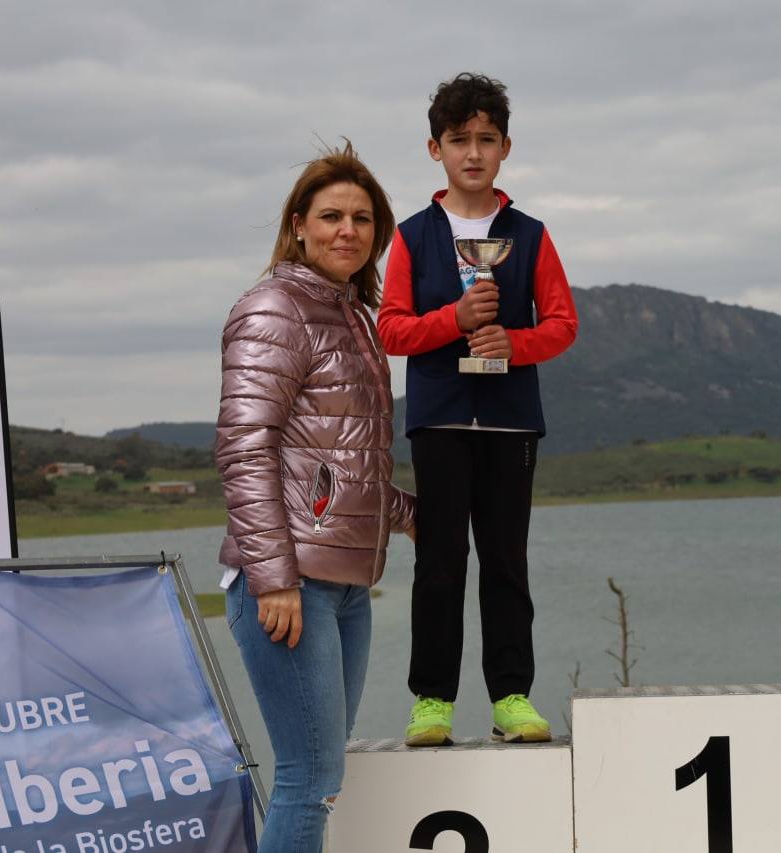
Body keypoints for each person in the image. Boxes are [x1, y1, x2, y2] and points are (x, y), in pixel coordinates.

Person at [215, 141, 415, 850]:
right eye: (331, 215)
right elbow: (245, 448)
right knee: (308, 774)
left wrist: (417, 516)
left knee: (323, 777)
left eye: (363, 218)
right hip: (290, 582)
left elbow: (341, 464)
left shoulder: (357, 317)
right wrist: (273, 578)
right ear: (298, 224)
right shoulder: (275, 307)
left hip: (347, 585)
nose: (348, 231)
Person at [377, 72, 578, 747]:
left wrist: (512, 344)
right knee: (438, 560)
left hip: (511, 419)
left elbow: (562, 324)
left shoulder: (531, 234)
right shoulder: (410, 237)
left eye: (485, 139)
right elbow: (392, 329)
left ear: (506, 147)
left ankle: (511, 695)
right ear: (434, 149)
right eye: (458, 139)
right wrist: (454, 319)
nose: (472, 152)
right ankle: (431, 698)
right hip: (436, 418)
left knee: (505, 560)